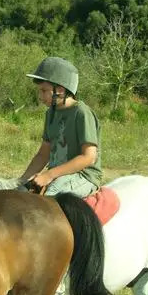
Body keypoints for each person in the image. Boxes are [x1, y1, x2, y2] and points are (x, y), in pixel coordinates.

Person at [18, 57, 102, 198]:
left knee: (51, 198)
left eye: (44, 90)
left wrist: (49, 175)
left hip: (84, 176)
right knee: (20, 194)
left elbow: (89, 157)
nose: (40, 96)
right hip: (57, 175)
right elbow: (43, 154)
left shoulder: (81, 113)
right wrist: (21, 181)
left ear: (61, 90)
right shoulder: (50, 113)